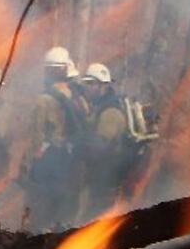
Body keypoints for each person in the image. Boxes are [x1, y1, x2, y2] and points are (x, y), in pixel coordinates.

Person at [23, 47, 89, 230]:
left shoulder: (43, 100)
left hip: (49, 166)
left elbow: (35, 138)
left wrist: (27, 169)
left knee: (40, 218)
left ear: (49, 71)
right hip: (74, 164)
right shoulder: (79, 97)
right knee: (65, 218)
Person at [75, 62, 128, 221]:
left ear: (102, 86)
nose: (87, 88)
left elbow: (100, 147)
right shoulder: (99, 108)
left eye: (91, 83)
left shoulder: (110, 113)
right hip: (97, 178)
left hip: (105, 182)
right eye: (87, 83)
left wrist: (77, 147)